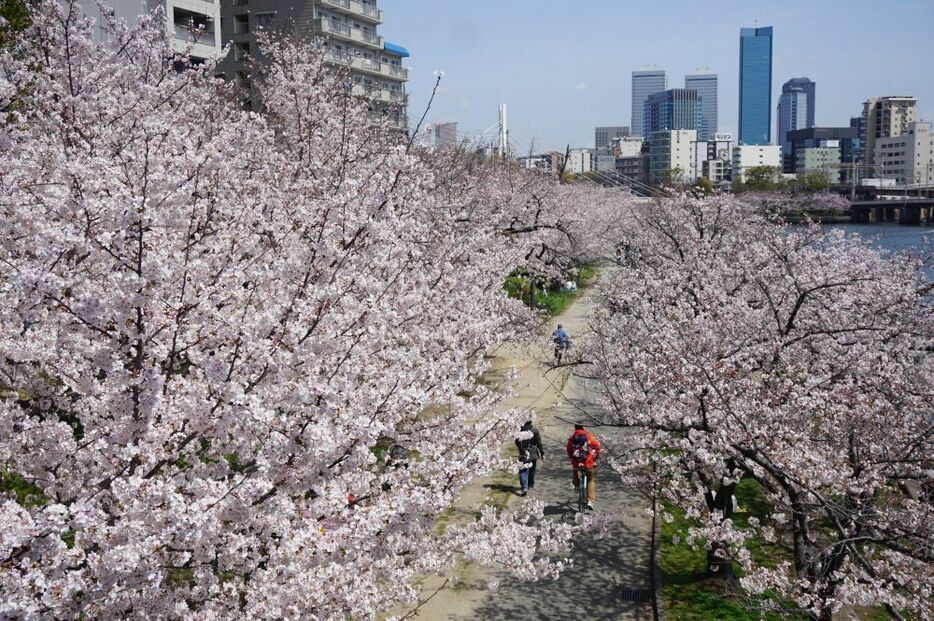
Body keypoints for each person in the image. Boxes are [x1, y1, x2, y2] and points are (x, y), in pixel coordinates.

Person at [566, 424, 601, 510]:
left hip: (577, 463)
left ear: (575, 428)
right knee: (590, 479)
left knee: (575, 472)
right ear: (583, 428)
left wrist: (572, 458)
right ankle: (590, 500)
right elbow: (596, 445)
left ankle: (576, 484)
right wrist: (597, 455)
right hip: (587, 462)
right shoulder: (588, 436)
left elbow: (569, 451)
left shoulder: (571, 438)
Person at [515, 420, 544, 496]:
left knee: (522, 470)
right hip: (533, 453)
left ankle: (524, 487)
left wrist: (520, 447)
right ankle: (530, 484)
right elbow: (539, 442)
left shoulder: (520, 430)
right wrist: (542, 453)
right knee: (532, 470)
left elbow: (516, 441)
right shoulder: (534, 430)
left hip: (523, 453)